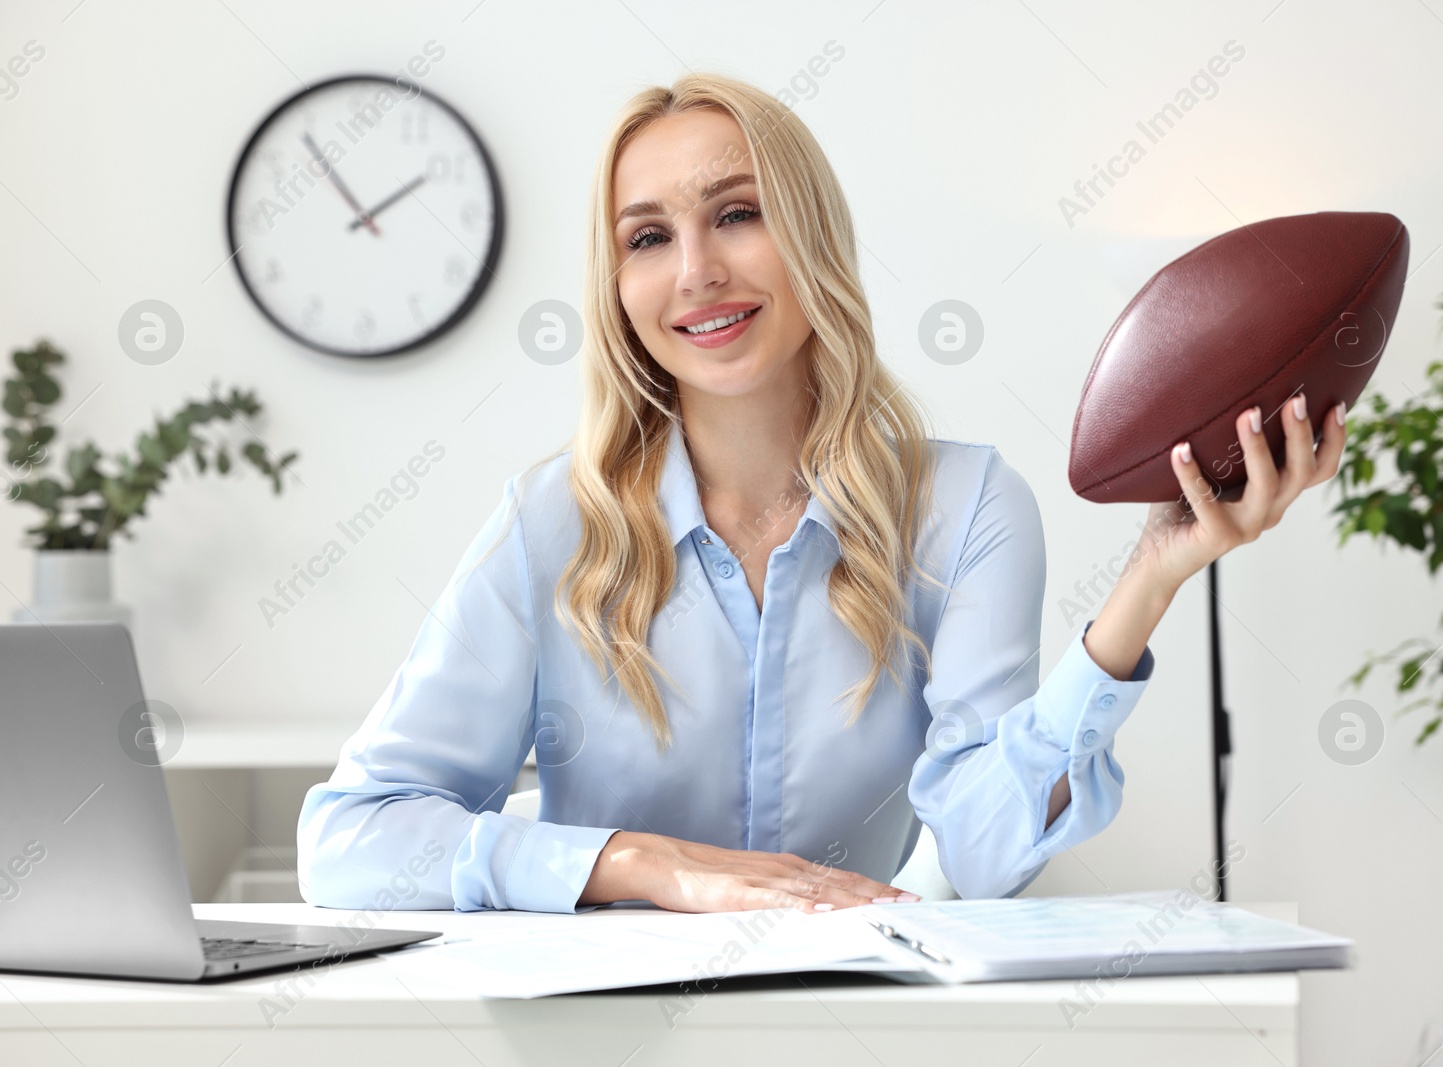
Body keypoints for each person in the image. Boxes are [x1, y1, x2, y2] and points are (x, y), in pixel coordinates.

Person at [297, 72, 1346, 917]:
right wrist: (638, 862)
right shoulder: (548, 523)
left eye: (737, 214)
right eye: (648, 237)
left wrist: (1149, 579)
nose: (697, 270)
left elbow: (981, 852)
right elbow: (346, 841)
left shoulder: (967, 505)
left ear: (812, 239)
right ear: (618, 290)